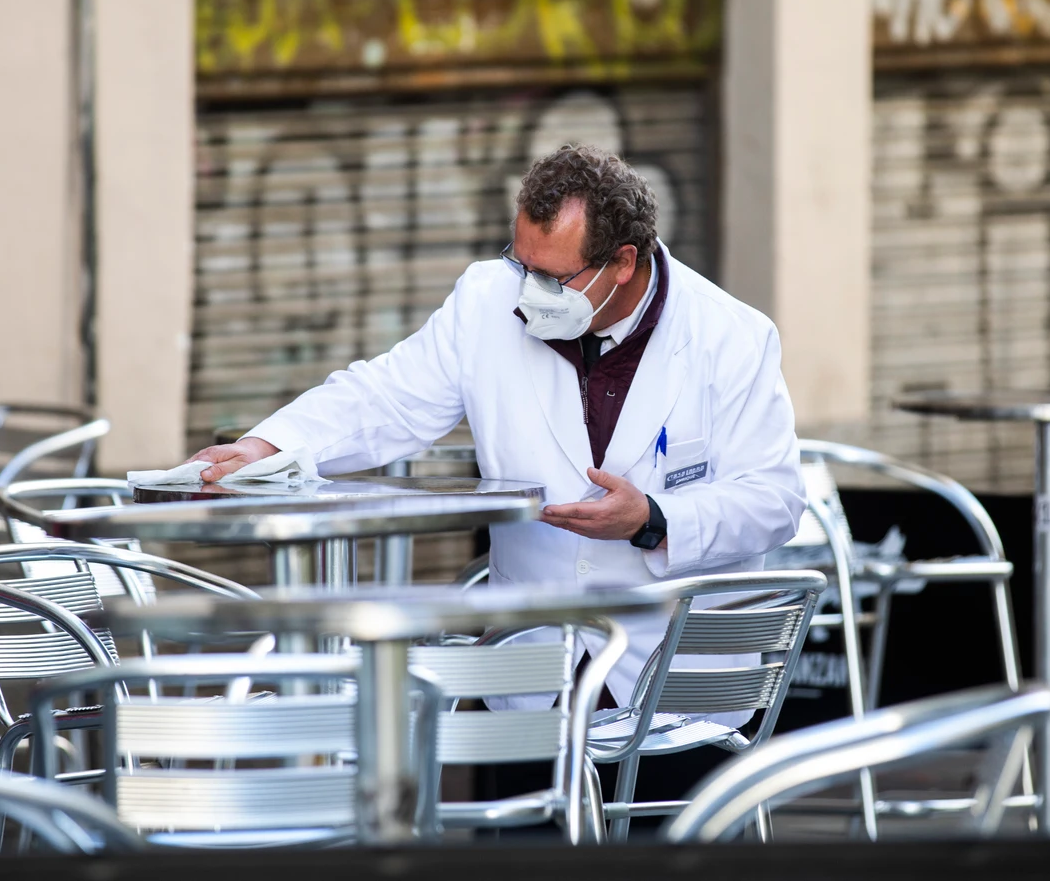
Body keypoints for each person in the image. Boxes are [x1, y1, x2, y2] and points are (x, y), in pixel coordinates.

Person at [190, 143, 805, 709]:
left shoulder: (733, 337)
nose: (529, 292)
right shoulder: (487, 298)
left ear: (622, 262)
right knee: (514, 826)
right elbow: (385, 397)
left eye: (553, 278)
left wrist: (655, 521)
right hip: (532, 669)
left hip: (672, 672)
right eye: (521, 263)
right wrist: (266, 445)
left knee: (662, 827)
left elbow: (773, 501)